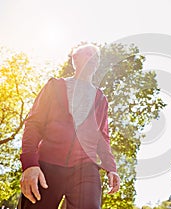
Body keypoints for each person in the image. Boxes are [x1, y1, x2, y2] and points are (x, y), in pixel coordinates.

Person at [19, 44, 120, 209]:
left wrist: (111, 168)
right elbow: (34, 124)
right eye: (88, 53)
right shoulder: (54, 86)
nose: (93, 58)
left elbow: (103, 138)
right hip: (47, 165)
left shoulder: (101, 99)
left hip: (85, 169)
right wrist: (29, 164)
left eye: (97, 56)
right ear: (75, 59)